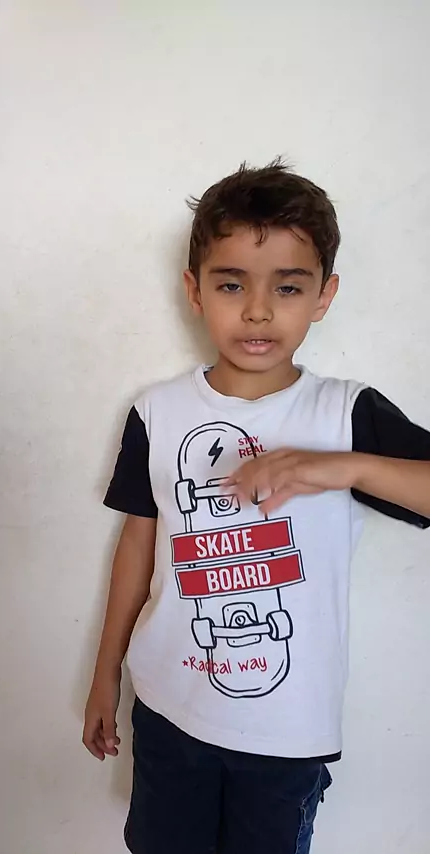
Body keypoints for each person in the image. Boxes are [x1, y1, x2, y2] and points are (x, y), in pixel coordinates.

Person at [83, 159, 430, 854]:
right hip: (168, 708)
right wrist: (105, 674)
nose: (259, 310)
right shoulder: (156, 413)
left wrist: (342, 466)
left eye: (289, 286)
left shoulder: (343, 413)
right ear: (194, 289)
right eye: (232, 283)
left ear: (325, 295)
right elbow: (139, 544)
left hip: (286, 734)